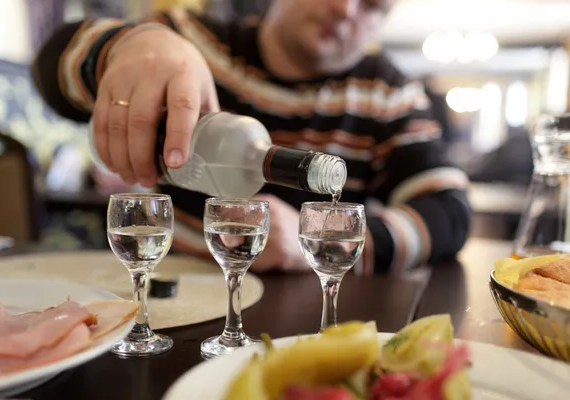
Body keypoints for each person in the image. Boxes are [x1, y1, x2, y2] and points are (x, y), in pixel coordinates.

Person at [31, 0, 471, 275]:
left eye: (373, 4)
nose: (345, 8)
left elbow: (449, 213)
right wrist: (126, 45)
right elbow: (51, 67)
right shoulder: (193, 40)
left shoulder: (388, 93)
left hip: (300, 322)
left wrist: (316, 241)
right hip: (171, 288)